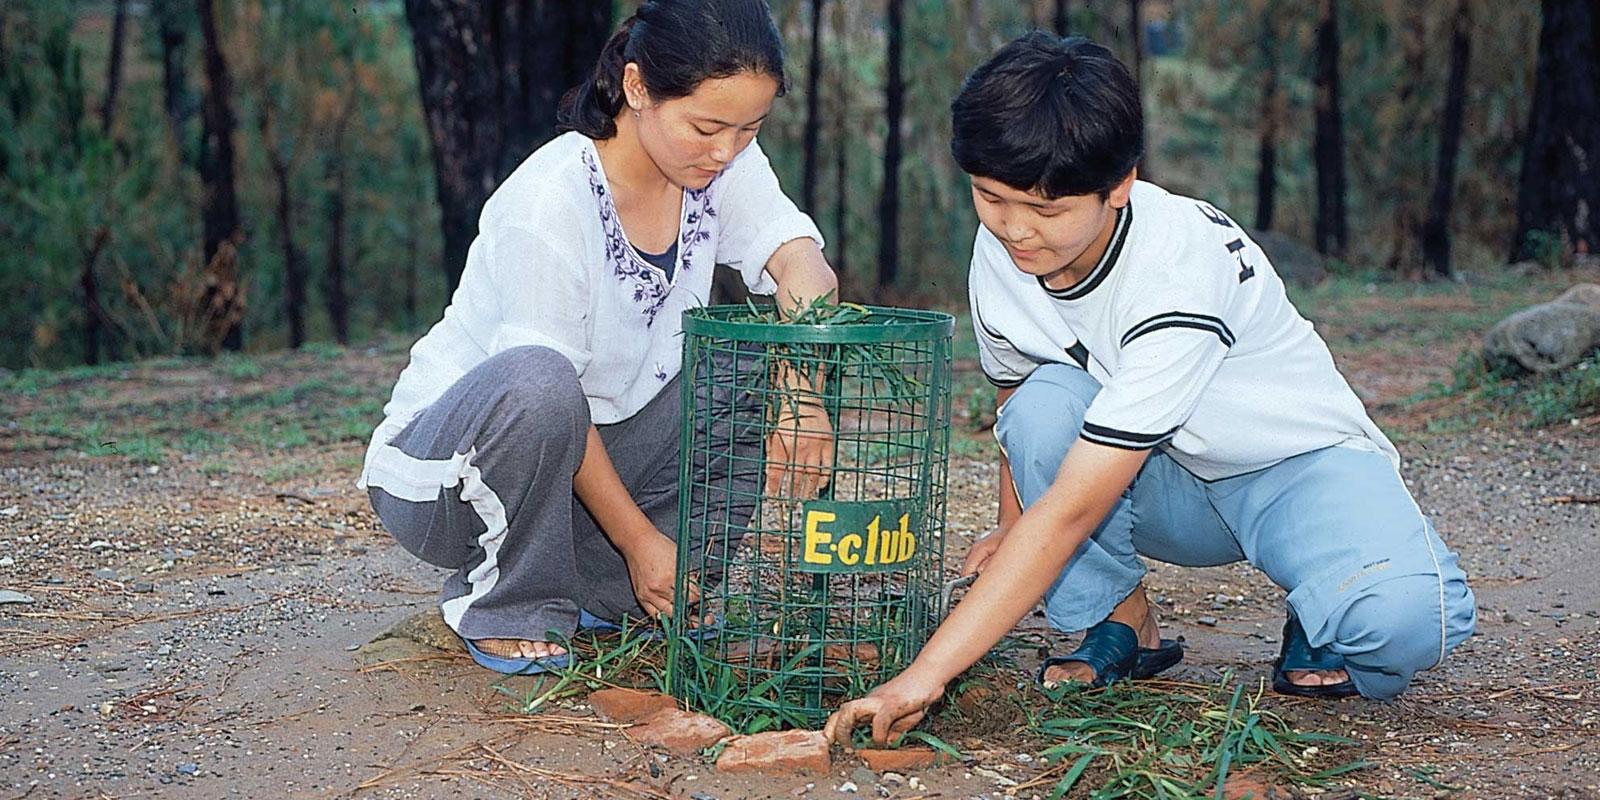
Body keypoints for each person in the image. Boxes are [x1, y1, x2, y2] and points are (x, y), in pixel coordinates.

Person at [825, 33, 1475, 745]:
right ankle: (1119, 620)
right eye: (990, 197)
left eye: (1045, 210)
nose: (1014, 228)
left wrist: (925, 675)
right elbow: (1018, 401)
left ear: (1120, 185)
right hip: (1160, 480)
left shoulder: (1177, 271)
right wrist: (1013, 522)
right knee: (1046, 402)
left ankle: (1327, 604)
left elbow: (1073, 509)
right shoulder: (1005, 250)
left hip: (1294, 471)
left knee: (1400, 626)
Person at [358, 0, 837, 675]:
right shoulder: (552, 201)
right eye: (705, 127)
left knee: (754, 358)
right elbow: (549, 394)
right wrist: (638, 537)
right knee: (543, 383)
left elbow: (801, 263)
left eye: (749, 129)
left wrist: (799, 393)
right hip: (446, 471)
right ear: (638, 88)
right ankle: (501, 602)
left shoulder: (722, 165)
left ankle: (635, 594)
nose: (726, 150)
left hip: (583, 458)